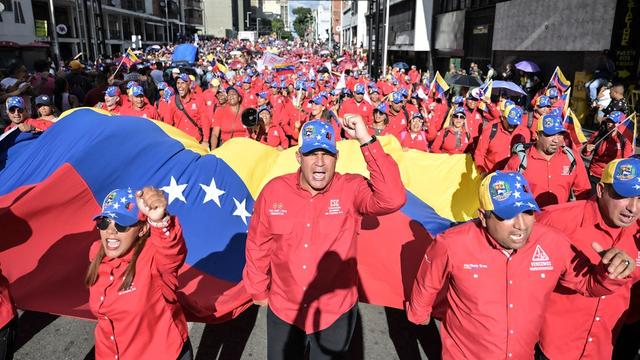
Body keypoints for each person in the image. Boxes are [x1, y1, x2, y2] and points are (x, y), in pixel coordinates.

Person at [406, 171, 636, 359]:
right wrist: (420, 314)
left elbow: (587, 285)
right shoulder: (452, 244)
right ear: (483, 217)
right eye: (507, 215)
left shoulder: (552, 243)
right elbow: (427, 284)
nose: (521, 225)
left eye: (527, 212)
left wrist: (610, 273)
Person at [243, 115, 406, 360]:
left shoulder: (351, 188)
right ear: (299, 157)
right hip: (285, 310)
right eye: (311, 154)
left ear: (336, 157)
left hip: (335, 312)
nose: (319, 163)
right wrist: (257, 289)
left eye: (326, 154)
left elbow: (393, 198)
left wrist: (365, 139)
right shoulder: (274, 191)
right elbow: (258, 243)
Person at [536, 157, 640, 360]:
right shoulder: (555, 221)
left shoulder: (638, 236)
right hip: (551, 349)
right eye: (624, 196)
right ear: (600, 190)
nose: (633, 208)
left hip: (604, 349)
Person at [86, 187, 192, 360]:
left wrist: (160, 220)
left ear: (142, 229)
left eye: (121, 224)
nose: (111, 231)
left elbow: (172, 250)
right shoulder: (96, 254)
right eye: (104, 222)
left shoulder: (154, 258)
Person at [504, 114, 590, 207]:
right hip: (531, 220)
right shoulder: (518, 160)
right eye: (550, 135)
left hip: (560, 219)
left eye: (560, 134)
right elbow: (504, 194)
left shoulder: (572, 158)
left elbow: (583, 192)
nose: (556, 140)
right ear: (537, 135)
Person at [473, 104, 530, 175]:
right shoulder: (490, 130)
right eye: (510, 122)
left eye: (515, 124)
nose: (512, 126)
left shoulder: (524, 132)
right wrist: (482, 171)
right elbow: (479, 154)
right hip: (491, 175)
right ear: (503, 118)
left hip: (513, 177)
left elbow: (526, 155)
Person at [582, 111, 633, 189]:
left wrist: (624, 181)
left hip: (612, 177)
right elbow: (585, 154)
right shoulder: (599, 135)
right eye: (608, 121)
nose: (609, 124)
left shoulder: (625, 140)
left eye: (613, 122)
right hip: (595, 174)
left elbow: (626, 162)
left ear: (620, 124)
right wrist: (587, 149)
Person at [168, 73, 211, 148]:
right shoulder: (172, 100)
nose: (180, 86)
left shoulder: (199, 99)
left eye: (183, 83)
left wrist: (206, 140)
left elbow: (205, 121)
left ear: (189, 84)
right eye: (178, 83)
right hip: (180, 143)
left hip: (196, 142)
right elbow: (168, 123)